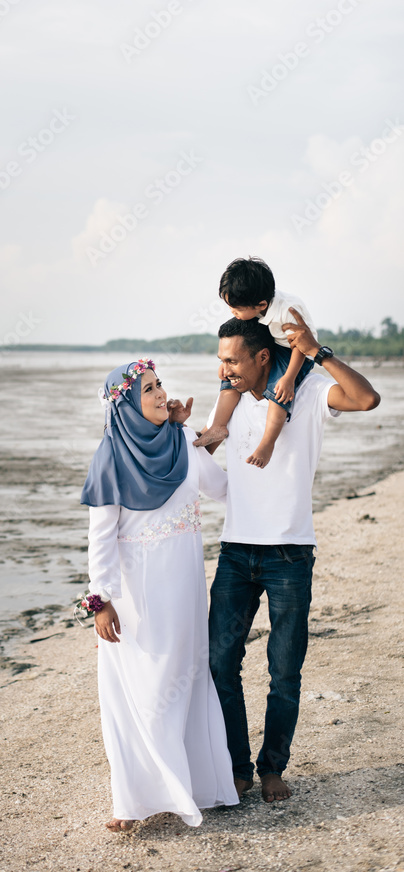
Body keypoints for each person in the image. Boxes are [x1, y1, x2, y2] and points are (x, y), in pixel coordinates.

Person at [189, 311, 380, 803]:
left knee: (285, 669)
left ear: (262, 356)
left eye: (231, 361)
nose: (223, 370)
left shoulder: (309, 393)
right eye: (220, 360)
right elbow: (206, 463)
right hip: (235, 551)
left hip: (291, 554)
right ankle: (236, 767)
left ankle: (272, 767)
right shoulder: (228, 405)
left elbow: (366, 398)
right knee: (219, 662)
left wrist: (319, 351)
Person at [81, 358, 239, 832]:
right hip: (136, 594)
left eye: (158, 385)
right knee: (142, 688)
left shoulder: (183, 443)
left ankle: (192, 787)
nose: (158, 394)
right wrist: (99, 599)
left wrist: (219, 435)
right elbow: (101, 536)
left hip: (185, 587)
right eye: (147, 389)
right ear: (125, 402)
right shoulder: (109, 457)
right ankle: (133, 801)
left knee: (186, 680)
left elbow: (223, 489)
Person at [195, 257, 318, 468]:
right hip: (275, 343)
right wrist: (227, 363)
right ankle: (218, 426)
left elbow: (300, 346)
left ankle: (267, 443)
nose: (233, 314)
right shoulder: (256, 303)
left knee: (278, 392)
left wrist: (288, 378)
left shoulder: (287, 311)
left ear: (260, 305)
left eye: (236, 310)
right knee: (229, 379)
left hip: (296, 351)